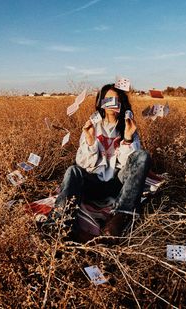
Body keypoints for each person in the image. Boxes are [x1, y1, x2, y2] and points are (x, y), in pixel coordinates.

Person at [53, 83, 151, 238]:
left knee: (143, 156)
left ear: (121, 103)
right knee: (72, 170)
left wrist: (127, 137)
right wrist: (91, 141)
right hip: (93, 183)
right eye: (108, 99)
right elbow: (83, 164)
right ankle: (59, 224)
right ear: (101, 103)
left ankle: (119, 217)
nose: (111, 104)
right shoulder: (92, 125)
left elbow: (130, 164)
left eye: (116, 99)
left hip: (117, 184)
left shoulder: (129, 126)